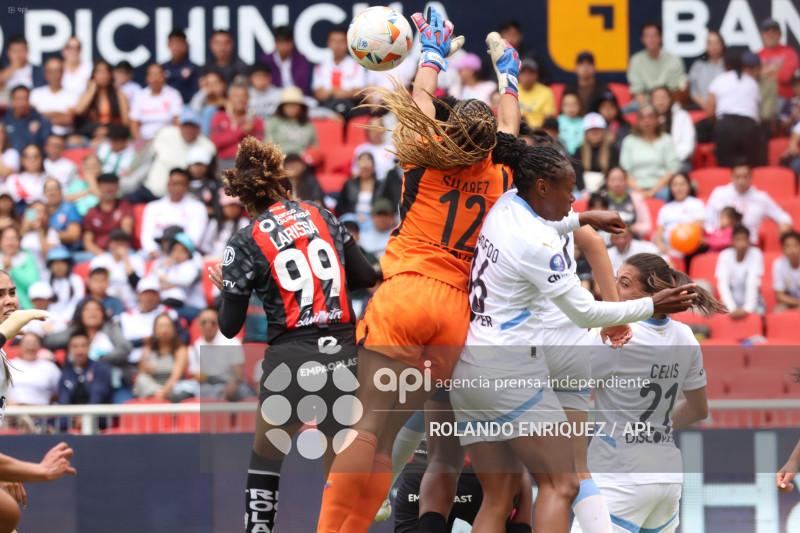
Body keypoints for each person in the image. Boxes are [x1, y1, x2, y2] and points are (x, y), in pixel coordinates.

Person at [447, 147, 697, 533]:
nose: (573, 198)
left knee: (497, 498)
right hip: (511, 373)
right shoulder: (540, 247)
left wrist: (581, 217)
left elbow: (543, 225)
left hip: (470, 369)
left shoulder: (506, 203)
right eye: (569, 190)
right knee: (562, 484)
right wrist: (649, 306)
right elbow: (585, 314)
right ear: (542, 186)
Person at [206, 136, 377, 533]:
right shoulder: (321, 214)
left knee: (267, 458)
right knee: (337, 465)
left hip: (292, 358)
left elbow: (229, 327)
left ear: (244, 198)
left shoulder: (245, 241)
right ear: (283, 184)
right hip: (344, 352)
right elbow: (366, 277)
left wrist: (228, 290)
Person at [576, 253, 723, 533]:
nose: (613, 288)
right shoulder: (686, 337)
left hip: (619, 476)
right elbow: (698, 409)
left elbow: (563, 379)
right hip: (666, 477)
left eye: (624, 283)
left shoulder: (617, 334)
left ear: (651, 293)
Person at [125, 106, 217, 201]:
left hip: (181, 198)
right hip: (151, 189)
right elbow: (145, 154)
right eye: (186, 126)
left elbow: (210, 174)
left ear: (198, 128)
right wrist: (132, 168)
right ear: (179, 126)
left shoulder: (207, 146)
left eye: (192, 126)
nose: (189, 130)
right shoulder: (165, 134)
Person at [43, 298, 133, 393]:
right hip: (78, 384)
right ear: (80, 314)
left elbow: (125, 348)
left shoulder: (110, 328)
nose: (92, 313)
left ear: (103, 313)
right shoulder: (74, 331)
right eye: (87, 310)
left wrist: (101, 359)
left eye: (97, 309)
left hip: (114, 383)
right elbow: (50, 341)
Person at [173, 307, 253, 401]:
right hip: (207, 386)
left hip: (228, 384)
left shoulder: (231, 342)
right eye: (204, 322)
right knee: (178, 392)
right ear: (198, 325)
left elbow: (239, 375)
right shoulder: (194, 348)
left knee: (240, 390)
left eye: (212, 322)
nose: (208, 326)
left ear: (218, 324)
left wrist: (233, 383)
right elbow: (197, 376)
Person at [705, 162, 792, 245]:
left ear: (751, 177)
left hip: (749, 245)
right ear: (731, 177)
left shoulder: (761, 198)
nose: (741, 181)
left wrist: (784, 225)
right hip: (720, 243)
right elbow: (708, 220)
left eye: (745, 177)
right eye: (737, 177)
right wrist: (714, 237)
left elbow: (782, 216)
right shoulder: (719, 193)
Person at [707, 51, 761, 168]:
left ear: (726, 66)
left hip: (726, 127)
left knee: (726, 169)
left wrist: (718, 124)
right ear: (742, 66)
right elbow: (757, 109)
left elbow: (710, 111)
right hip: (750, 127)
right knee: (750, 168)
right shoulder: (752, 82)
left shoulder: (719, 80)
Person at [139, 168, 209, 257]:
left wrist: (176, 254)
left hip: (185, 253)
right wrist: (153, 251)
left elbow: (194, 238)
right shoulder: (153, 207)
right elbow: (146, 237)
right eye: (174, 184)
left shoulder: (197, 207)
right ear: (168, 185)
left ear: (187, 186)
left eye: (182, 184)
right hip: (156, 253)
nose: (178, 188)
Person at [620, 105, 679, 200]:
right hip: (634, 188)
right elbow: (625, 172)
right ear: (638, 121)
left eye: (650, 116)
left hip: (662, 188)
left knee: (670, 193)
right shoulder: (629, 141)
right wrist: (641, 191)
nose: (646, 120)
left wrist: (653, 191)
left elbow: (672, 169)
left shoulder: (666, 140)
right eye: (642, 117)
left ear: (657, 119)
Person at [119, 277, 180, 368]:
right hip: (128, 363)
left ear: (159, 296)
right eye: (145, 293)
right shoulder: (126, 316)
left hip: (159, 363)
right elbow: (121, 344)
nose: (149, 297)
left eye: (153, 293)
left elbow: (182, 337)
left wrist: (154, 340)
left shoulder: (169, 313)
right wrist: (143, 340)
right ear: (138, 295)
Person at [57, 331, 113, 430]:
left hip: (98, 425)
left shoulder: (101, 369)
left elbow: (98, 397)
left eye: (83, 346)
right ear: (69, 349)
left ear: (89, 347)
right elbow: (63, 403)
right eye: (75, 346)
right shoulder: (65, 375)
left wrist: (85, 419)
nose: (80, 351)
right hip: (72, 426)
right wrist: (72, 422)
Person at [627, 22, 686, 109]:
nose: (651, 39)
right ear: (642, 39)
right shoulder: (636, 61)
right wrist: (647, 110)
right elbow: (637, 91)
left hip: (668, 104)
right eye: (647, 36)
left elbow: (675, 91)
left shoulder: (674, 61)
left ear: (661, 38)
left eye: (654, 35)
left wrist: (662, 107)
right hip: (643, 105)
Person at [312, 25, 367, 117]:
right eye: (334, 41)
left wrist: (332, 91)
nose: (337, 45)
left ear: (347, 43)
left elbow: (358, 93)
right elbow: (318, 94)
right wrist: (345, 92)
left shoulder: (357, 66)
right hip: (327, 107)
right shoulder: (321, 67)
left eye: (341, 41)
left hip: (351, 107)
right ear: (328, 43)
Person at [209, 81, 265, 168]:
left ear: (248, 98)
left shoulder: (256, 121)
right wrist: (241, 131)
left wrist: (229, 144)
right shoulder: (218, 117)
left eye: (243, 96)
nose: (240, 99)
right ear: (229, 98)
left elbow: (257, 147)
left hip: (249, 164)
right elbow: (216, 142)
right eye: (236, 96)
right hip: (225, 162)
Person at [132, 313, 187, 400]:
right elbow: (141, 375)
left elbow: (176, 376)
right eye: (160, 326)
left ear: (174, 329)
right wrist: (146, 369)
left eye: (167, 325)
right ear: (154, 330)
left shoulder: (180, 350)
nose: (164, 329)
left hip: (171, 391)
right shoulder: (147, 350)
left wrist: (163, 392)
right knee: (141, 379)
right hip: (151, 390)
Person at [716, 225, 765, 318]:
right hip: (730, 304)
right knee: (717, 318)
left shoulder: (756, 253)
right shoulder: (725, 255)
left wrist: (747, 309)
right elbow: (722, 284)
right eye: (738, 240)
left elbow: (753, 282)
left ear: (749, 241)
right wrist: (731, 308)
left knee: (759, 316)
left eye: (744, 240)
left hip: (754, 304)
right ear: (732, 241)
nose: (741, 243)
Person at [653, 173, 705, 259]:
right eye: (675, 185)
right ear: (671, 188)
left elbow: (699, 229)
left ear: (688, 186)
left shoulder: (696, 203)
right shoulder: (665, 208)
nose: (679, 188)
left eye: (682, 184)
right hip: (669, 249)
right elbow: (658, 236)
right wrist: (664, 249)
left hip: (690, 247)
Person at [89, 229, 145, 309]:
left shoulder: (136, 260)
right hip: (105, 304)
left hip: (131, 304)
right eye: (116, 241)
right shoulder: (99, 260)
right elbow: (93, 285)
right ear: (109, 244)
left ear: (128, 245)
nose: (119, 245)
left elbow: (137, 284)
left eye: (123, 242)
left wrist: (125, 258)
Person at [72, 60, 130, 136]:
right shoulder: (87, 93)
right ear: (93, 74)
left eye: (106, 71)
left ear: (110, 74)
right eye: (99, 71)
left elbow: (126, 122)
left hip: (112, 134)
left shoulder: (119, 94)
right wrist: (92, 91)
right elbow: (78, 111)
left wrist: (109, 130)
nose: (103, 75)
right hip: (91, 134)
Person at [81, 173, 135, 256]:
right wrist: (103, 256)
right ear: (98, 187)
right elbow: (88, 242)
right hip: (97, 253)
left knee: (131, 255)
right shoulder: (91, 212)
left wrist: (115, 252)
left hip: (120, 250)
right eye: (105, 184)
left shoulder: (124, 206)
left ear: (118, 187)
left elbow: (126, 232)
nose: (109, 188)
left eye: (112, 184)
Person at [130, 63, 184, 141]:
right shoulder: (139, 95)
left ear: (164, 77)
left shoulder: (174, 94)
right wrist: (139, 142)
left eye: (158, 74)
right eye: (152, 75)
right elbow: (133, 122)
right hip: (145, 138)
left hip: (167, 139)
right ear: (147, 78)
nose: (155, 78)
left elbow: (177, 121)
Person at [29, 57, 78, 136]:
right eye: (51, 71)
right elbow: (33, 118)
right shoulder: (35, 93)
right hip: (40, 135)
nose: (55, 75)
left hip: (65, 136)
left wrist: (43, 115)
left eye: (57, 71)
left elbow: (68, 120)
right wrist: (59, 114)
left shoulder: (72, 95)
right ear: (45, 74)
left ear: (62, 73)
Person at [651, 86, 695, 173]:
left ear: (670, 99)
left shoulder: (682, 116)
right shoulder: (648, 119)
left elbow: (687, 147)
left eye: (664, 97)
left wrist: (668, 158)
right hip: (653, 162)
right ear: (652, 101)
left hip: (678, 161)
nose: (661, 102)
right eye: (657, 98)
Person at [265, 86, 317, 157]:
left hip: (302, 162)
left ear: (301, 107)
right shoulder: (274, 122)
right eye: (288, 104)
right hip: (279, 160)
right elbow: (268, 145)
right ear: (282, 107)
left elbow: (314, 149)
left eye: (294, 104)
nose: (291, 107)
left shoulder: (308, 125)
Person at [262, 25, 313, 95]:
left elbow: (301, 85)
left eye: (286, 42)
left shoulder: (301, 59)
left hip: (297, 96)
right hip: (273, 97)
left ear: (292, 43)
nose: (283, 46)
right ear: (275, 43)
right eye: (280, 42)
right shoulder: (267, 59)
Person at [758, 18, 800, 102]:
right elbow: (754, 77)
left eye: (774, 30)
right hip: (763, 101)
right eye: (767, 30)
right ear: (761, 35)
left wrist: (764, 72)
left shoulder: (789, 52)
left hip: (786, 102)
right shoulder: (757, 55)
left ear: (780, 34)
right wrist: (776, 68)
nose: (771, 33)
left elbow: (786, 76)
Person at [575, 113, 619, 194]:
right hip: (583, 191)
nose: (594, 133)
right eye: (591, 130)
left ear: (603, 131)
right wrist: (583, 190)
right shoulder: (579, 151)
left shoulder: (612, 150)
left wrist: (604, 189)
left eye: (597, 130)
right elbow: (576, 174)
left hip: (606, 191)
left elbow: (614, 171)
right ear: (586, 133)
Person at [198, 191, 248, 257]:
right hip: (214, 258)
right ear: (222, 207)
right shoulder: (215, 223)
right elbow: (205, 244)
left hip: (236, 259)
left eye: (235, 206)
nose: (232, 209)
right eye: (229, 206)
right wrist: (213, 253)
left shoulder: (244, 223)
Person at [2, 86, 52, 152]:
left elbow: (47, 147)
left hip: (34, 159)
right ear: (12, 100)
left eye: (25, 98)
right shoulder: (4, 122)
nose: (22, 103)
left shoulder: (42, 121)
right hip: (9, 160)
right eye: (18, 99)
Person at [0, 227, 38, 309]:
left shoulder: (27, 257)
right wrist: (3, 268)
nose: (10, 242)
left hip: (24, 308)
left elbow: (33, 283)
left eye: (14, 238)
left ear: (19, 242)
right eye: (7, 238)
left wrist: (13, 268)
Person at [350, 115, 397, 181]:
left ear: (383, 129)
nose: (375, 132)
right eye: (372, 129)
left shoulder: (393, 148)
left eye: (377, 128)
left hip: (390, 184)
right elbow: (355, 173)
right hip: (370, 185)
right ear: (367, 131)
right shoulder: (362, 149)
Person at [688, 31, 726, 110]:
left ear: (722, 44)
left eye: (716, 43)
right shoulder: (698, 66)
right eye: (710, 43)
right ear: (706, 46)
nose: (713, 46)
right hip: (702, 109)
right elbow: (693, 91)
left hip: (725, 109)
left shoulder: (729, 66)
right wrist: (706, 106)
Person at [44, 246, 84, 320]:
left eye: (62, 263)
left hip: (71, 320)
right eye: (55, 264)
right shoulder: (45, 281)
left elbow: (77, 302)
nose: (59, 267)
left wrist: (65, 319)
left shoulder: (76, 280)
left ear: (68, 265)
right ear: (50, 266)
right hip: (49, 321)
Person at [20, 200, 60, 272]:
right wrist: (23, 229)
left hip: (42, 272)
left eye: (44, 212)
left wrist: (40, 231)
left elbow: (49, 256)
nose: (41, 216)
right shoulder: (20, 231)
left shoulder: (52, 233)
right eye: (37, 212)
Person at [43, 178, 82, 251]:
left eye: (55, 189)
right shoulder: (41, 210)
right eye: (48, 190)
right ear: (44, 193)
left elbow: (74, 235)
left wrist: (53, 234)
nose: (52, 192)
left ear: (61, 191)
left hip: (69, 252)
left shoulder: (69, 208)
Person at [566, 51, 609, 116]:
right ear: (576, 68)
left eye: (589, 64)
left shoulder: (603, 89)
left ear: (594, 67)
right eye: (581, 64)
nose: (585, 67)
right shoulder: (569, 89)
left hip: (596, 124)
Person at [162, 28, 199, 104]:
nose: (177, 47)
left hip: (187, 106)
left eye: (180, 43)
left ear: (186, 45)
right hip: (164, 107)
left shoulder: (194, 68)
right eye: (174, 43)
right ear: (168, 45)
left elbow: (196, 93)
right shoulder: (162, 68)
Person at [517, 58, 554, 127]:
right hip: (517, 129)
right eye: (524, 73)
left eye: (531, 73)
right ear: (518, 75)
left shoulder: (546, 91)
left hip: (538, 131)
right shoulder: (512, 90)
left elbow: (548, 117)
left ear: (537, 75)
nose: (527, 76)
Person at [186, 145, 221, 217]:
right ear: (189, 166)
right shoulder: (183, 184)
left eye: (201, 165)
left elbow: (218, 209)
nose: (198, 168)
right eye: (195, 165)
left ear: (207, 166)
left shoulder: (214, 184)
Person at [190, 69, 228, 137]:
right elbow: (193, 110)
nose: (212, 87)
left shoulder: (230, 104)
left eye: (215, 83)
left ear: (223, 85)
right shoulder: (202, 105)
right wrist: (204, 92)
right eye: (208, 84)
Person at [772, 231, 800, 312]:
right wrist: (798, 303)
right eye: (788, 246)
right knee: (778, 310)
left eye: (796, 245)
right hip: (791, 302)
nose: (792, 250)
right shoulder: (778, 264)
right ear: (783, 249)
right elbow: (780, 296)